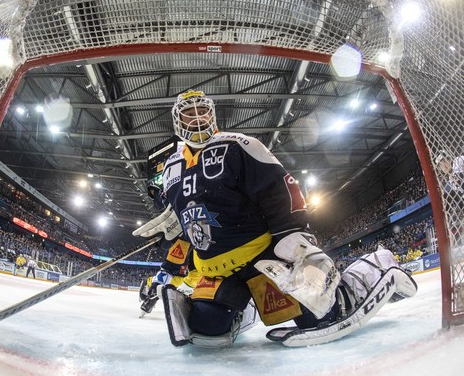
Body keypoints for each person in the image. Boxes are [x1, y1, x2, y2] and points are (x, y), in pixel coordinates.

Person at [133, 90, 417, 348]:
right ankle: (244, 308)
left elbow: (280, 187)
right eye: (188, 113)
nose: (197, 118)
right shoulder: (170, 167)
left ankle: (375, 267)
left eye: (202, 111)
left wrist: (291, 232)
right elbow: (179, 208)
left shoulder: (240, 145)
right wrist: (171, 224)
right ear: (176, 120)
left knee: (320, 315)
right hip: (214, 270)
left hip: (263, 261)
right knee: (206, 328)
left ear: (212, 114)